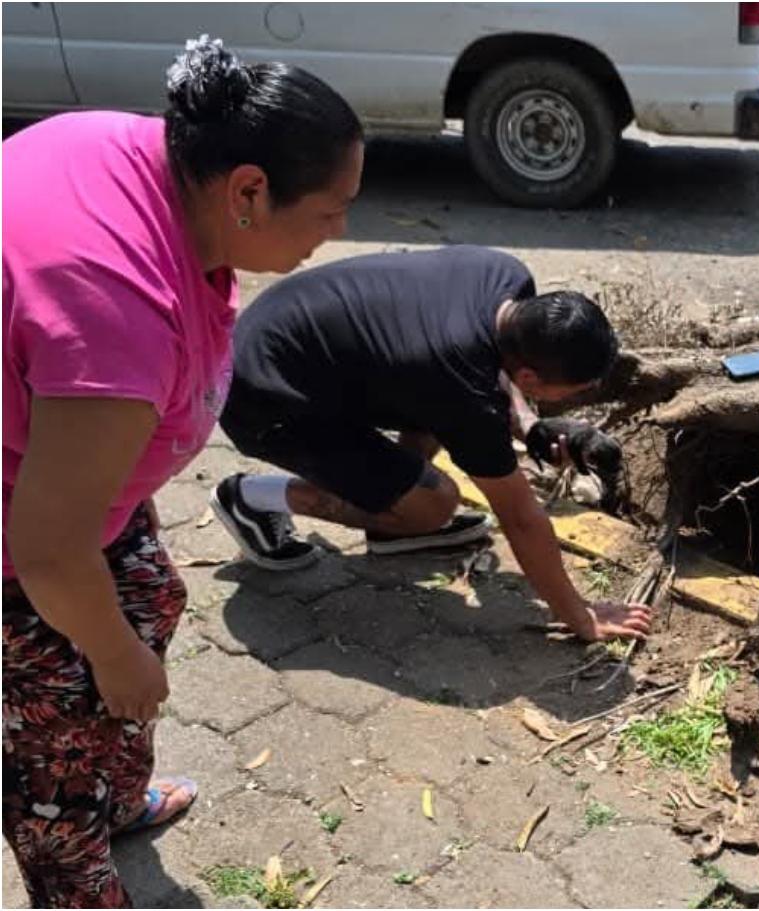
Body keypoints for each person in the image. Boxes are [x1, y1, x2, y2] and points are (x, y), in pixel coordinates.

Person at [2, 36, 363, 907]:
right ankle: (77, 861)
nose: (341, 232)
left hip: (58, 463)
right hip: (25, 539)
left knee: (152, 592)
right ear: (248, 190)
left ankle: (116, 798)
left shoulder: (141, 154)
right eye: (329, 210)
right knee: (59, 745)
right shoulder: (116, 311)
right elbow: (48, 550)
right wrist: (114, 654)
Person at [213, 246, 652, 642]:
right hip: (261, 396)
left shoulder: (505, 278)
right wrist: (581, 615)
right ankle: (249, 499)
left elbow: (485, 370)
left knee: (444, 396)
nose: (576, 400)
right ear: (531, 379)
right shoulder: (459, 382)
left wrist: (530, 426)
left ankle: (389, 520)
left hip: (300, 340)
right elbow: (520, 518)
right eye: (574, 391)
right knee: (435, 503)